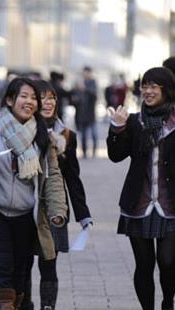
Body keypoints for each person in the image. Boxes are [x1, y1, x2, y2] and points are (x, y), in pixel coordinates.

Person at [0, 77, 67, 310]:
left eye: (34, 98)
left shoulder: (42, 136)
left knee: (20, 271)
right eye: (24, 96)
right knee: (0, 266)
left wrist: (58, 211)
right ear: (10, 100)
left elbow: (53, 177)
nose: (29, 102)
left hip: (27, 217)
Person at [20, 80, 93, 310]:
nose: (49, 102)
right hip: (23, 205)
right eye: (43, 97)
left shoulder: (67, 135)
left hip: (54, 208)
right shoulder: (20, 130)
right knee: (22, 264)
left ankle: (47, 306)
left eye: (52, 97)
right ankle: (25, 304)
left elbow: (72, 177)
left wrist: (83, 215)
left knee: (48, 262)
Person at [107, 66, 175, 310]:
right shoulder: (135, 121)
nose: (147, 91)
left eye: (153, 86)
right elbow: (116, 155)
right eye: (144, 86)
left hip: (170, 205)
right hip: (139, 203)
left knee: (168, 261)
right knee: (143, 265)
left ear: (166, 89)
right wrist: (117, 128)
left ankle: (168, 301)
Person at [72, 66, 98, 158]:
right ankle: (84, 152)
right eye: (84, 72)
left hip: (91, 114)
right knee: (83, 135)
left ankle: (94, 151)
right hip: (81, 114)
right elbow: (74, 99)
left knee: (94, 134)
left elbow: (94, 95)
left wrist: (84, 88)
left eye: (87, 72)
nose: (85, 74)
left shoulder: (92, 82)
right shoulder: (78, 84)